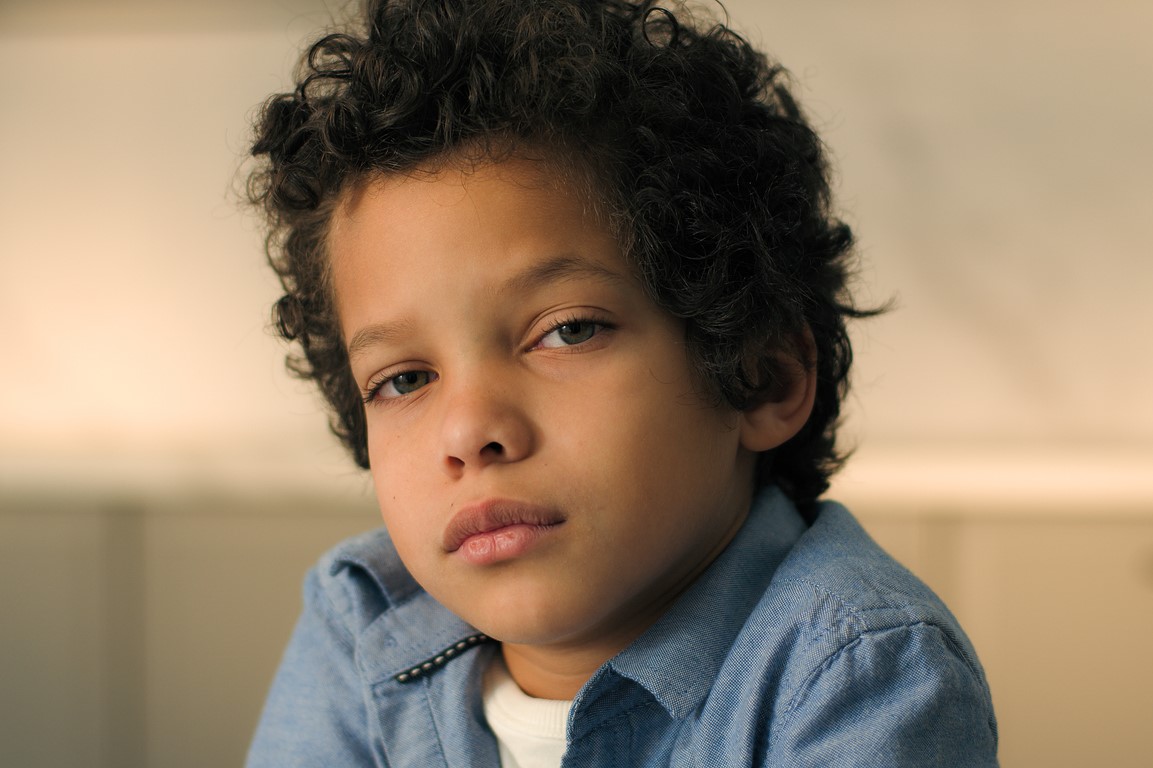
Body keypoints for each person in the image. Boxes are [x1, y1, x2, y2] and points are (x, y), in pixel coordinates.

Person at [244, 1, 999, 765]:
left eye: (568, 331)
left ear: (760, 375)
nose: (469, 429)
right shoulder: (364, 619)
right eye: (404, 378)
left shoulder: (855, 671)